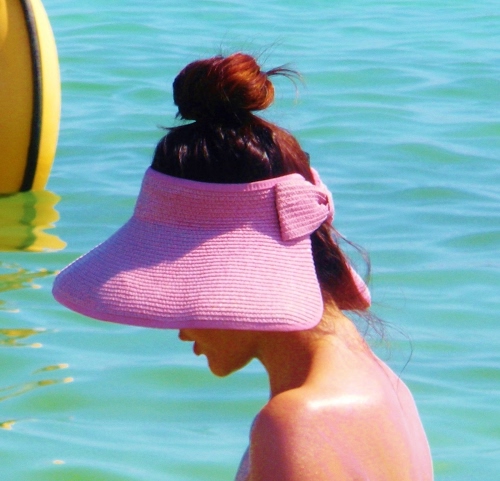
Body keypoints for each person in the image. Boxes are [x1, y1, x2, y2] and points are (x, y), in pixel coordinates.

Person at [53, 52, 433, 481]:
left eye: (183, 286)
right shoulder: (385, 386)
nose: (179, 326)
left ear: (232, 272)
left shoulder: (295, 423)